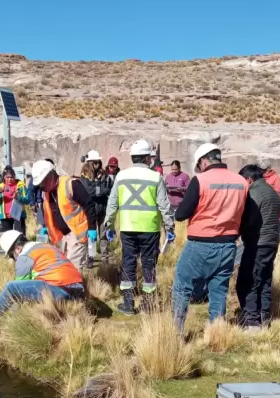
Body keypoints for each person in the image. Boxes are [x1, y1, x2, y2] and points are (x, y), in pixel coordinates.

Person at [171, 143, 248, 332]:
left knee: (182, 284)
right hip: (229, 245)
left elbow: (181, 214)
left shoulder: (200, 180)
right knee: (219, 290)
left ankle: (175, 332)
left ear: (203, 161)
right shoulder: (241, 181)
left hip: (200, 243)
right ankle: (217, 332)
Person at [0, 231, 85, 339]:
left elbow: (17, 294)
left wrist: (12, 321)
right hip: (78, 290)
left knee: (11, 287)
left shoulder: (24, 257)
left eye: (11, 255)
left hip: (61, 291)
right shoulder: (44, 246)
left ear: (18, 249)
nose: (13, 259)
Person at [105, 139, 174, 315]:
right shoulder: (155, 177)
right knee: (148, 264)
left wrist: (109, 225)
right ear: (146, 158)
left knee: (128, 263)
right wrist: (170, 227)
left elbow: (112, 204)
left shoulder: (121, 176)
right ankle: (147, 304)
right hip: (150, 229)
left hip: (128, 227)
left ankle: (128, 304)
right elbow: (164, 206)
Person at [236, 164, 280, 330]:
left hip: (257, 243)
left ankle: (252, 321)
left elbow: (250, 220)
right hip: (272, 242)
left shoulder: (254, 193)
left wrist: (237, 231)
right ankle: (264, 317)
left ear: (249, 179)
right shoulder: (272, 191)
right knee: (264, 280)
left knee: (247, 282)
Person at [31, 159, 97, 270]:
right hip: (62, 237)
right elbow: (51, 212)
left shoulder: (71, 184)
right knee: (63, 269)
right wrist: (46, 227)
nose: (42, 186)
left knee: (72, 269)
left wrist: (92, 228)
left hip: (77, 235)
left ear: (51, 175)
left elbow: (89, 205)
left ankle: (78, 287)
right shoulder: (46, 192)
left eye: (43, 182)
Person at [79, 151, 114, 266]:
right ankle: (91, 257)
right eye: (94, 162)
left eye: (98, 161)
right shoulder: (84, 176)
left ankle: (105, 258)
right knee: (92, 235)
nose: (97, 164)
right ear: (89, 163)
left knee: (103, 234)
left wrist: (99, 191)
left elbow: (110, 189)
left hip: (102, 209)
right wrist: (101, 191)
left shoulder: (104, 175)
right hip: (90, 210)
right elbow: (89, 191)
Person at [0, 166, 29, 233]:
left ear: (14, 176)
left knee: (20, 237)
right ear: (4, 177)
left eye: (11, 177)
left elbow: (28, 200)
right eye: (7, 177)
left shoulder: (21, 186)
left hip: (18, 215)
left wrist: (18, 197)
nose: (9, 179)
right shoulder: (0, 187)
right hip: (5, 217)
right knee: (8, 238)